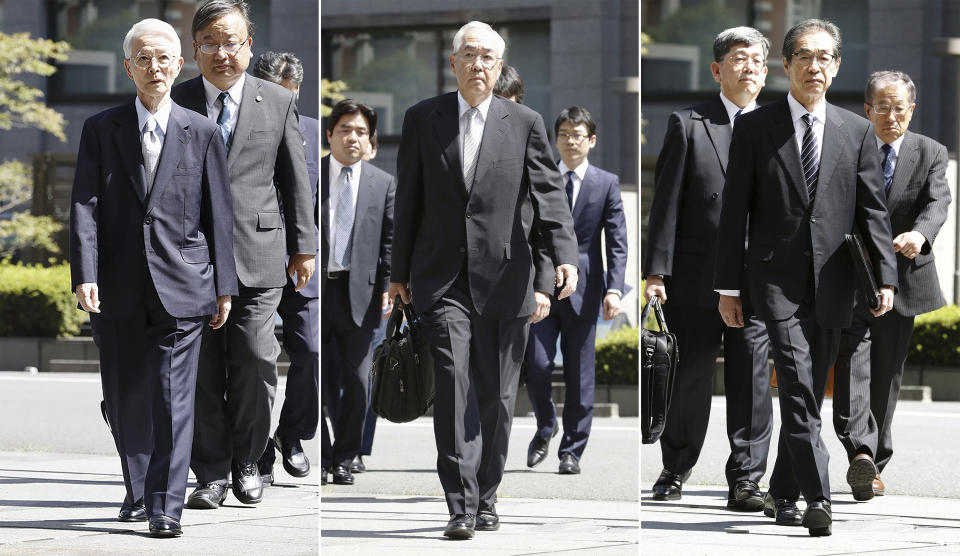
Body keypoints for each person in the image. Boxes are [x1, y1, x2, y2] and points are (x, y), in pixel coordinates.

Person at [390, 21, 579, 540]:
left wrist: (563, 257)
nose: (478, 65)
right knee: (452, 385)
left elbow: (548, 198)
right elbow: (409, 200)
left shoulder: (525, 121)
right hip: (442, 280)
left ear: (500, 67)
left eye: (488, 58)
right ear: (452, 63)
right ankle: (459, 502)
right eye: (469, 55)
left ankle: (488, 494)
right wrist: (398, 274)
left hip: (506, 277)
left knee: (497, 397)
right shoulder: (422, 118)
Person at [715, 19, 898, 537]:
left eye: (824, 58)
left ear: (836, 67)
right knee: (796, 385)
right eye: (804, 57)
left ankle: (780, 492)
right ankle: (818, 497)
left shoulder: (857, 130)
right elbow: (735, 214)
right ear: (787, 65)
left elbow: (872, 213)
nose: (814, 66)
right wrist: (728, 286)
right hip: (773, 282)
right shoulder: (755, 127)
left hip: (835, 281)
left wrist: (884, 277)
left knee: (810, 393)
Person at [70, 18, 236, 537]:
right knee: (124, 398)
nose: (154, 66)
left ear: (178, 63)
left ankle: (166, 506)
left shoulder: (202, 131)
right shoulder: (101, 129)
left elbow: (219, 215)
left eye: (163, 57)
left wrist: (224, 285)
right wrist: (85, 273)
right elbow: (84, 206)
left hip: (183, 286)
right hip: (116, 287)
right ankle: (139, 489)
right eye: (143, 58)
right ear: (128, 68)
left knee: (172, 397)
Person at [171, 0, 316, 509]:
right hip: (194, 259)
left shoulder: (276, 100)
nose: (220, 53)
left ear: (247, 45)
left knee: (255, 360)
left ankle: (248, 461)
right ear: (194, 50)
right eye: (208, 42)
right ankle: (209, 473)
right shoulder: (177, 99)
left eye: (230, 41)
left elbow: (294, 178)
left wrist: (304, 246)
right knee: (205, 369)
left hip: (260, 254)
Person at [643, 26, 775, 511]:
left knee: (753, 380)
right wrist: (655, 272)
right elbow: (667, 205)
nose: (750, 67)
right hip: (696, 278)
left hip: (757, 279)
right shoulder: (689, 123)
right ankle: (675, 467)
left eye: (758, 61)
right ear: (718, 69)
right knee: (690, 375)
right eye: (740, 59)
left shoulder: (778, 127)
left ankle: (746, 478)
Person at [831, 70, 951, 500]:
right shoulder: (847, 147)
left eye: (899, 108)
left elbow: (939, 201)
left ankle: (874, 463)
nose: (891, 116)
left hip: (904, 278)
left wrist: (920, 235)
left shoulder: (930, 152)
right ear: (867, 110)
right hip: (853, 276)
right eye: (882, 107)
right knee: (851, 364)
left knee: (886, 373)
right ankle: (859, 451)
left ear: (911, 110)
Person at [524, 106, 627, 475]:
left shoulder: (606, 183)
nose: (570, 141)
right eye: (564, 133)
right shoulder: (539, 177)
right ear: (556, 138)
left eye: (577, 134)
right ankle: (545, 424)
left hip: (585, 289)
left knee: (580, 375)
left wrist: (614, 289)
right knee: (535, 364)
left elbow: (617, 242)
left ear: (591, 140)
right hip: (541, 287)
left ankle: (572, 451)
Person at [250, 50, 319, 484]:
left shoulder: (312, 131)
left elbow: (313, 200)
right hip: (252, 257)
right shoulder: (236, 128)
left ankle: (291, 434)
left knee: (310, 350)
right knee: (253, 358)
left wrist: (307, 250)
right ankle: (256, 450)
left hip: (300, 263)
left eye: (289, 98)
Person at [321, 99, 396, 487]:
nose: (353, 137)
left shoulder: (382, 183)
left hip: (362, 296)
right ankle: (321, 454)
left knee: (358, 381)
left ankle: (346, 456)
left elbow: (388, 244)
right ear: (330, 134)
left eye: (361, 132)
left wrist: (387, 288)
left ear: (370, 141)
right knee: (314, 378)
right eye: (346, 129)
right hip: (316, 293)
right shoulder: (312, 175)